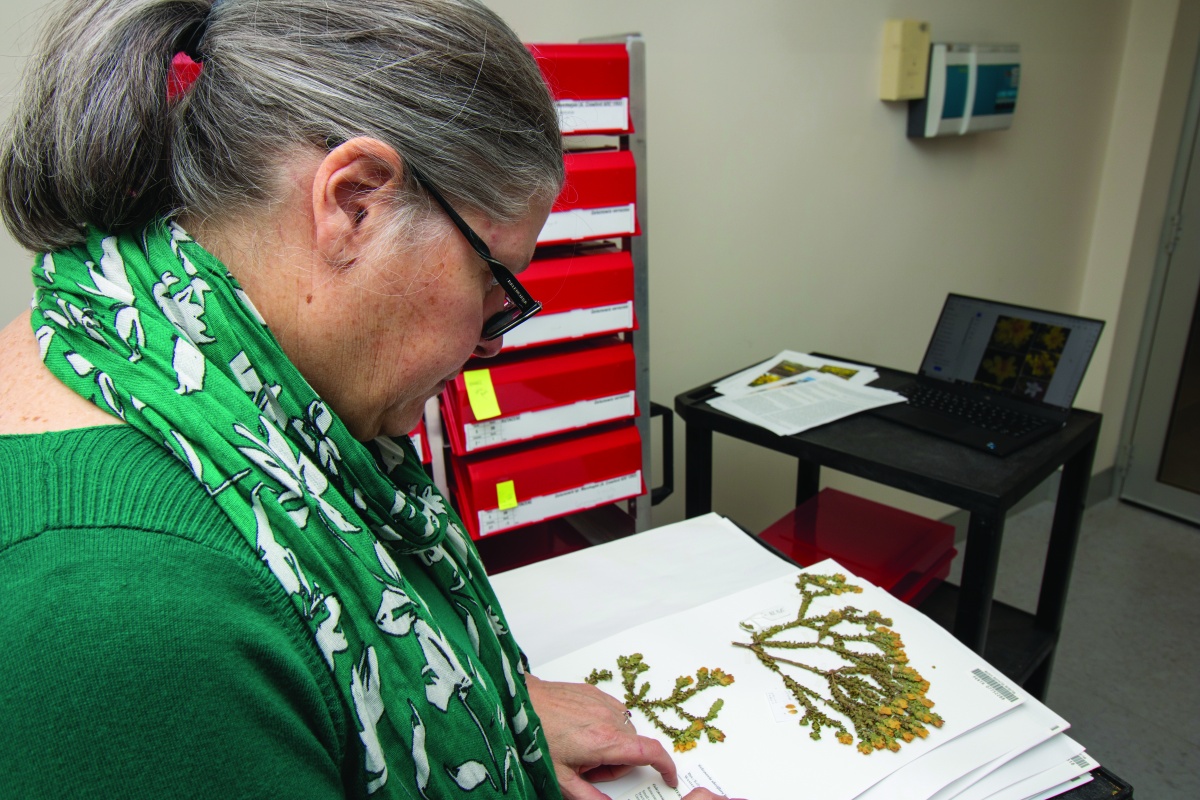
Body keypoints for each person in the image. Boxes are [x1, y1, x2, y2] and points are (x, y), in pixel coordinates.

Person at [0, 1, 742, 798]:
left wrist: (481, 705)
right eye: (496, 283)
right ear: (355, 202)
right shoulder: (130, 616)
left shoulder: (119, 331)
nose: (494, 343)